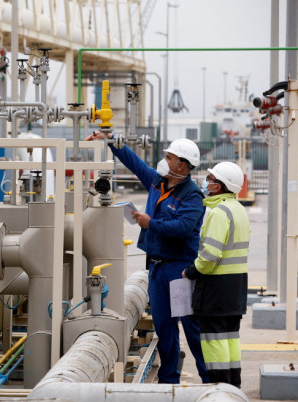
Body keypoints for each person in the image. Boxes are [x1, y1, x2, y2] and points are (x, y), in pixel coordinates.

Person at [86, 132, 209, 384]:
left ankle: (211, 379)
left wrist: (150, 223)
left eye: (169, 157)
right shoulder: (157, 181)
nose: (164, 161)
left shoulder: (192, 195)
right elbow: (135, 163)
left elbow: (183, 228)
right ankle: (168, 380)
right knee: (164, 327)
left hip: (181, 270)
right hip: (157, 269)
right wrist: (111, 140)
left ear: (182, 165)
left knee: (191, 327)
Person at [183, 162, 251, 387]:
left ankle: (219, 387)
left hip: (216, 287)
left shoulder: (219, 212)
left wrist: (192, 271)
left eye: (211, 179)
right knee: (230, 338)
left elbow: (210, 255)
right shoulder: (238, 209)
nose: (206, 182)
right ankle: (233, 386)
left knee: (213, 339)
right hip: (236, 286)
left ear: (219, 186)